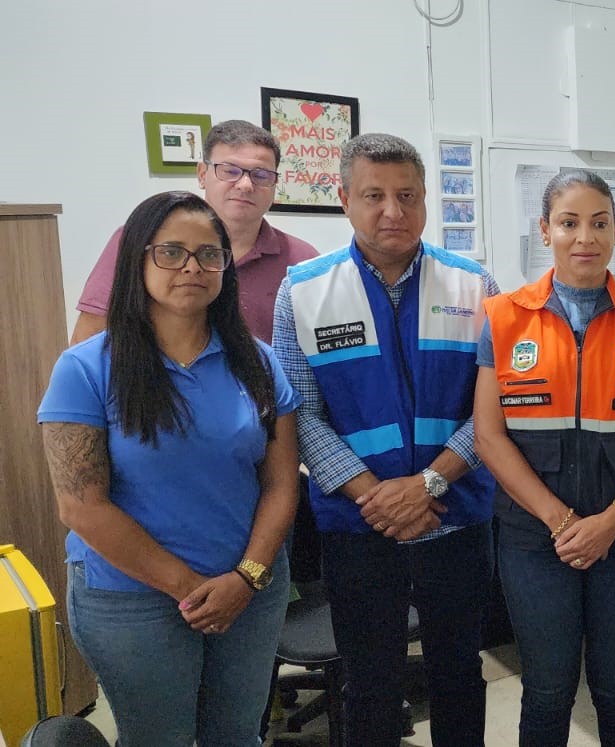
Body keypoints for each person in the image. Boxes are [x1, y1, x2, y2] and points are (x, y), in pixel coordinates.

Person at [38, 190, 300, 745]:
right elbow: (81, 505)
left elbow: (280, 483)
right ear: (138, 260)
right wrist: (193, 590)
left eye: (210, 255)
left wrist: (245, 578)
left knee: (238, 735)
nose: (192, 268)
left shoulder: (257, 360)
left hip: (247, 590)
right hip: (132, 598)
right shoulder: (86, 368)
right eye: (171, 252)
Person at [271, 133, 498, 746]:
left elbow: (492, 410)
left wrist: (427, 484)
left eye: (407, 196)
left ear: (425, 202)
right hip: (358, 525)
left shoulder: (474, 286)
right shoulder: (303, 290)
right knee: (369, 680)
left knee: (458, 672)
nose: (392, 211)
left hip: (456, 516)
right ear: (344, 198)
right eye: (374, 195)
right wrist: (377, 495)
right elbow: (300, 416)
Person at [472, 170, 615, 745]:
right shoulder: (503, 316)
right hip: (535, 538)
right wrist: (562, 522)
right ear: (545, 231)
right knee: (547, 685)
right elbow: (489, 435)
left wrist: (614, 520)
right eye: (569, 223)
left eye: (599, 222)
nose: (584, 236)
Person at [72, 119, 319, 344]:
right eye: (230, 171)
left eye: (261, 175)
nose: (245, 185)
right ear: (202, 174)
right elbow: (89, 340)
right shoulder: (139, 239)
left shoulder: (302, 259)